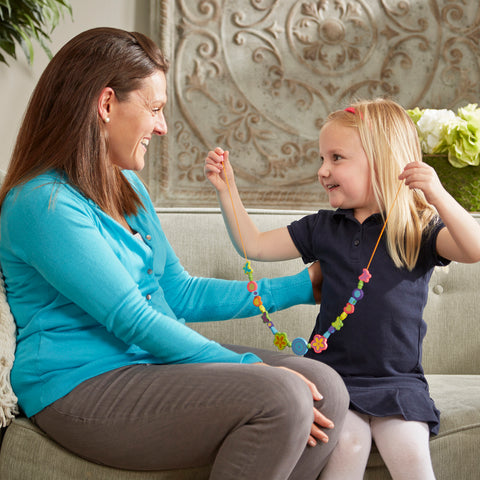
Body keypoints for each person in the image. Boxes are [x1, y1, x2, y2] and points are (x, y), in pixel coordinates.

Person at [0, 28, 349, 479]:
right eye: (155, 109)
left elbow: (178, 293)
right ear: (106, 105)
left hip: (147, 364)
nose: (162, 127)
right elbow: (132, 318)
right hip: (79, 386)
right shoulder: (42, 203)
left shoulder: (127, 187)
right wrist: (248, 367)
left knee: (328, 388)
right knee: (281, 395)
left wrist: (302, 286)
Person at [204, 97, 480, 480]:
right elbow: (255, 246)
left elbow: (474, 248)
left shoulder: (416, 228)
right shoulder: (322, 228)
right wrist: (227, 190)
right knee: (345, 449)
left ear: (382, 161)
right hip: (333, 381)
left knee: (411, 458)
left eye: (336, 158)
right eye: (322, 158)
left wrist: (436, 194)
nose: (323, 170)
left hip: (397, 383)